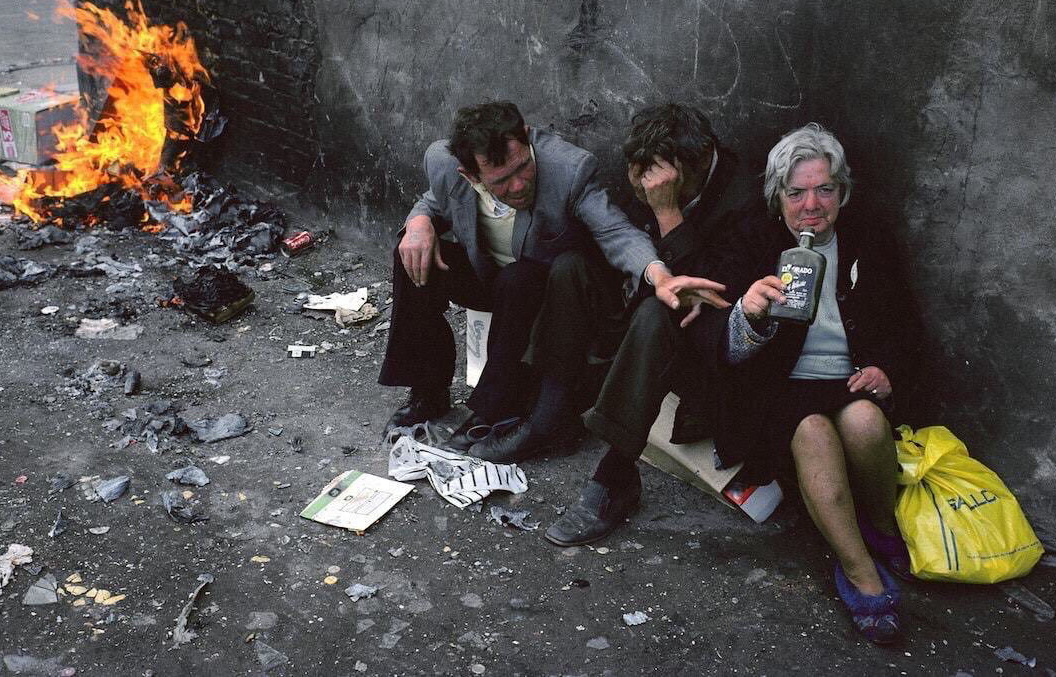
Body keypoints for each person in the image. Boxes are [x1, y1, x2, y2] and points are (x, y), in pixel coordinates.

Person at [689, 123, 918, 645]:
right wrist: (749, 315)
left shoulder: (870, 237)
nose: (811, 205)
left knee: (863, 421)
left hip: (848, 381)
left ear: (843, 192)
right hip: (777, 389)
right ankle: (859, 572)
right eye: (796, 192)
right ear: (779, 196)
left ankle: (879, 526)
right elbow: (713, 343)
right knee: (813, 432)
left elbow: (907, 326)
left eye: (824, 189)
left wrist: (887, 369)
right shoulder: (749, 237)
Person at [378, 101, 726, 440]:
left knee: (519, 279)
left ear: (527, 139)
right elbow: (435, 199)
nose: (518, 186)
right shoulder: (443, 163)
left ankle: (493, 409)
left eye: (522, 167)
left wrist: (659, 274)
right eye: (501, 180)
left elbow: (615, 231)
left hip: (540, 295)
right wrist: (419, 221)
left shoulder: (568, 169)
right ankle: (428, 392)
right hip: (488, 278)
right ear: (470, 174)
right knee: (408, 253)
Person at [483, 103, 745, 468]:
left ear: (699, 162)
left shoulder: (741, 199)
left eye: (656, 176)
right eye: (638, 172)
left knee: (659, 309)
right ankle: (548, 418)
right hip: (632, 303)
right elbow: (619, 243)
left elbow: (702, 296)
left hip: (681, 336)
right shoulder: (650, 172)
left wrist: (667, 212)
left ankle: (614, 467)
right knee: (570, 267)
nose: (644, 183)